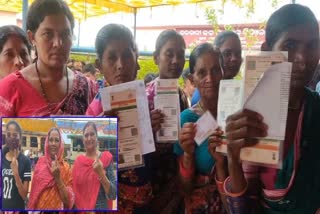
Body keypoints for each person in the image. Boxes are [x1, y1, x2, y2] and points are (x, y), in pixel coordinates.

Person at [223, 4, 320, 213]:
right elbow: (243, 208)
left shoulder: (316, 109)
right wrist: (232, 157)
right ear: (267, 51)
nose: (303, 59)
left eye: (313, 45)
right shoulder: (253, 113)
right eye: (290, 45)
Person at [86, 23, 153, 213]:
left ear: (136, 56)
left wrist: (154, 131)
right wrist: (101, 130)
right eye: (112, 58)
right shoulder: (95, 111)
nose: (121, 65)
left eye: (126, 56)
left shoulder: (148, 101)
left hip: (145, 200)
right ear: (99, 65)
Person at [0, 0, 97, 116]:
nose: (58, 43)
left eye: (65, 34)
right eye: (48, 34)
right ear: (32, 38)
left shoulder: (88, 88)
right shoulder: (9, 89)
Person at [174, 43, 227, 213]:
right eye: (202, 73)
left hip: (234, 206)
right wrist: (188, 154)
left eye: (216, 70)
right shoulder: (187, 120)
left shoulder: (235, 115)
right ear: (192, 79)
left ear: (223, 73)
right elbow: (184, 189)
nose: (210, 79)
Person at [146, 29, 190, 213]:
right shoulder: (143, 96)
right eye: (169, 54)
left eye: (180, 55)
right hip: (150, 180)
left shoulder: (181, 94)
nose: (175, 61)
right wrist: (147, 129)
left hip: (177, 177)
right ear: (156, 57)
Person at [72, 122, 116, 209]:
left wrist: (101, 174)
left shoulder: (105, 158)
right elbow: (75, 191)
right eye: (86, 135)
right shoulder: (78, 162)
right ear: (83, 140)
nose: (89, 138)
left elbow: (113, 195)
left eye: (92, 134)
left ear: (97, 137)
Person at [191, 30, 242, 106]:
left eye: (238, 53)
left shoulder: (234, 89)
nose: (234, 58)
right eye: (227, 54)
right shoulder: (206, 94)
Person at [28, 127, 74, 210]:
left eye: (56, 140)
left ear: (61, 144)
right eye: (51, 140)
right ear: (47, 143)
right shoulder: (41, 163)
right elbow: (34, 192)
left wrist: (58, 178)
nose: (53, 143)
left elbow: (68, 202)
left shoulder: (66, 168)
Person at [2, 120, 31, 209]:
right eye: (8, 135)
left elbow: (24, 196)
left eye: (15, 135)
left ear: (20, 138)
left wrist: (16, 174)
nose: (11, 138)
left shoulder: (25, 161)